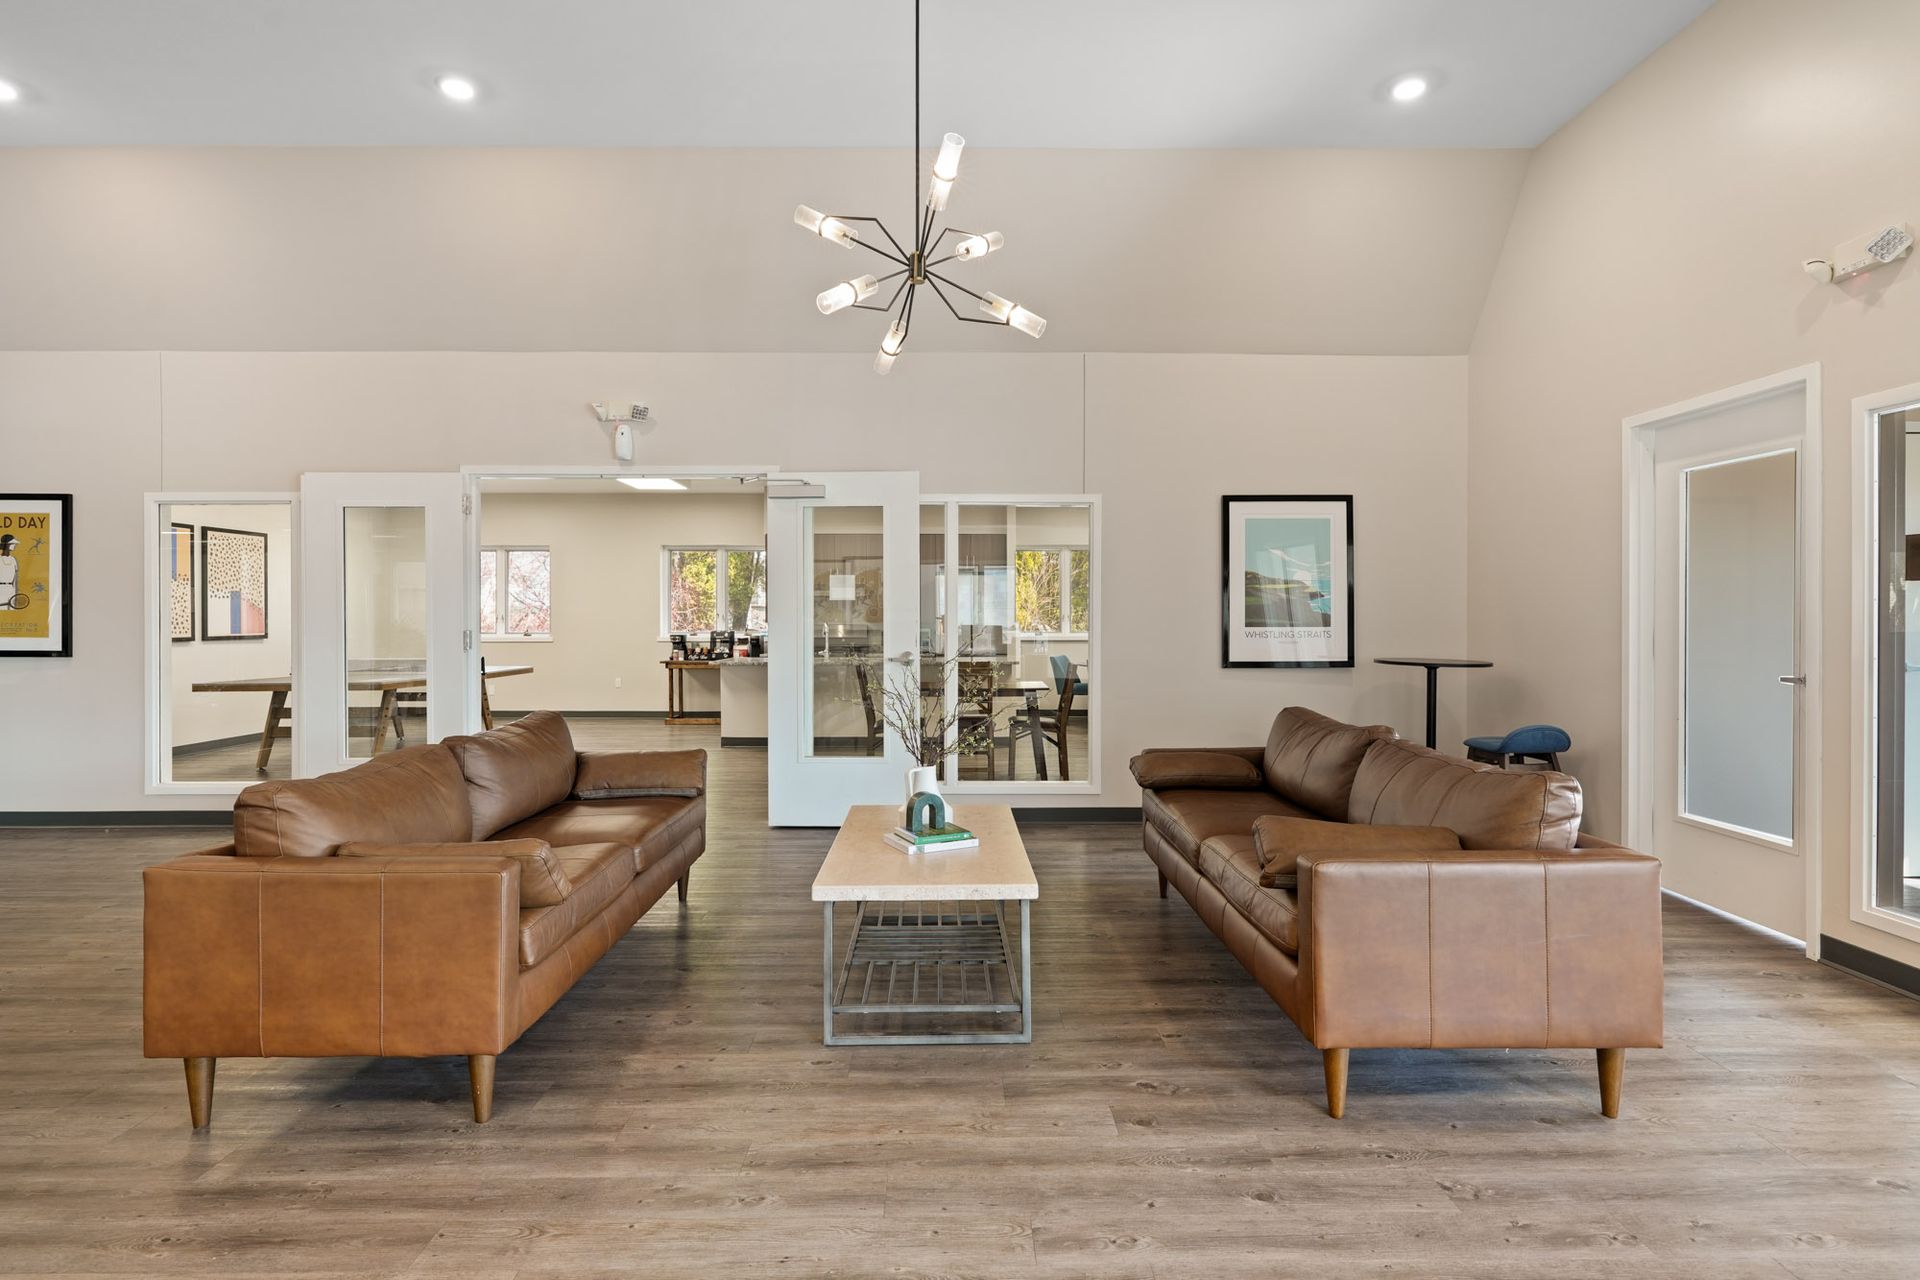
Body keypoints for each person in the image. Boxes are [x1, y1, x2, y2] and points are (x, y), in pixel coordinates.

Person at [0, 534, 19, 606]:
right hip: (1, 590)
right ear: (7, 545)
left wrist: (16, 594)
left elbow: (15, 580)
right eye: (13, 543)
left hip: (11, 590)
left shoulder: (14, 560)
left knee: (12, 609)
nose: (15, 545)